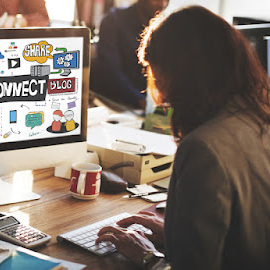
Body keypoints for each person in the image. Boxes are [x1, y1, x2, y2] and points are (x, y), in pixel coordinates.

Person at [96, 5, 270, 270]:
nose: (163, 98)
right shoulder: (258, 120)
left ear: (186, 77)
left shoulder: (204, 148)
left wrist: (146, 256)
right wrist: (176, 235)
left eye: (162, 81)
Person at [91, 0, 169, 109]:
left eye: (167, 0)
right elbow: (111, 71)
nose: (163, 5)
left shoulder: (162, 26)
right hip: (113, 103)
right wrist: (140, 100)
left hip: (146, 105)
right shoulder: (113, 20)